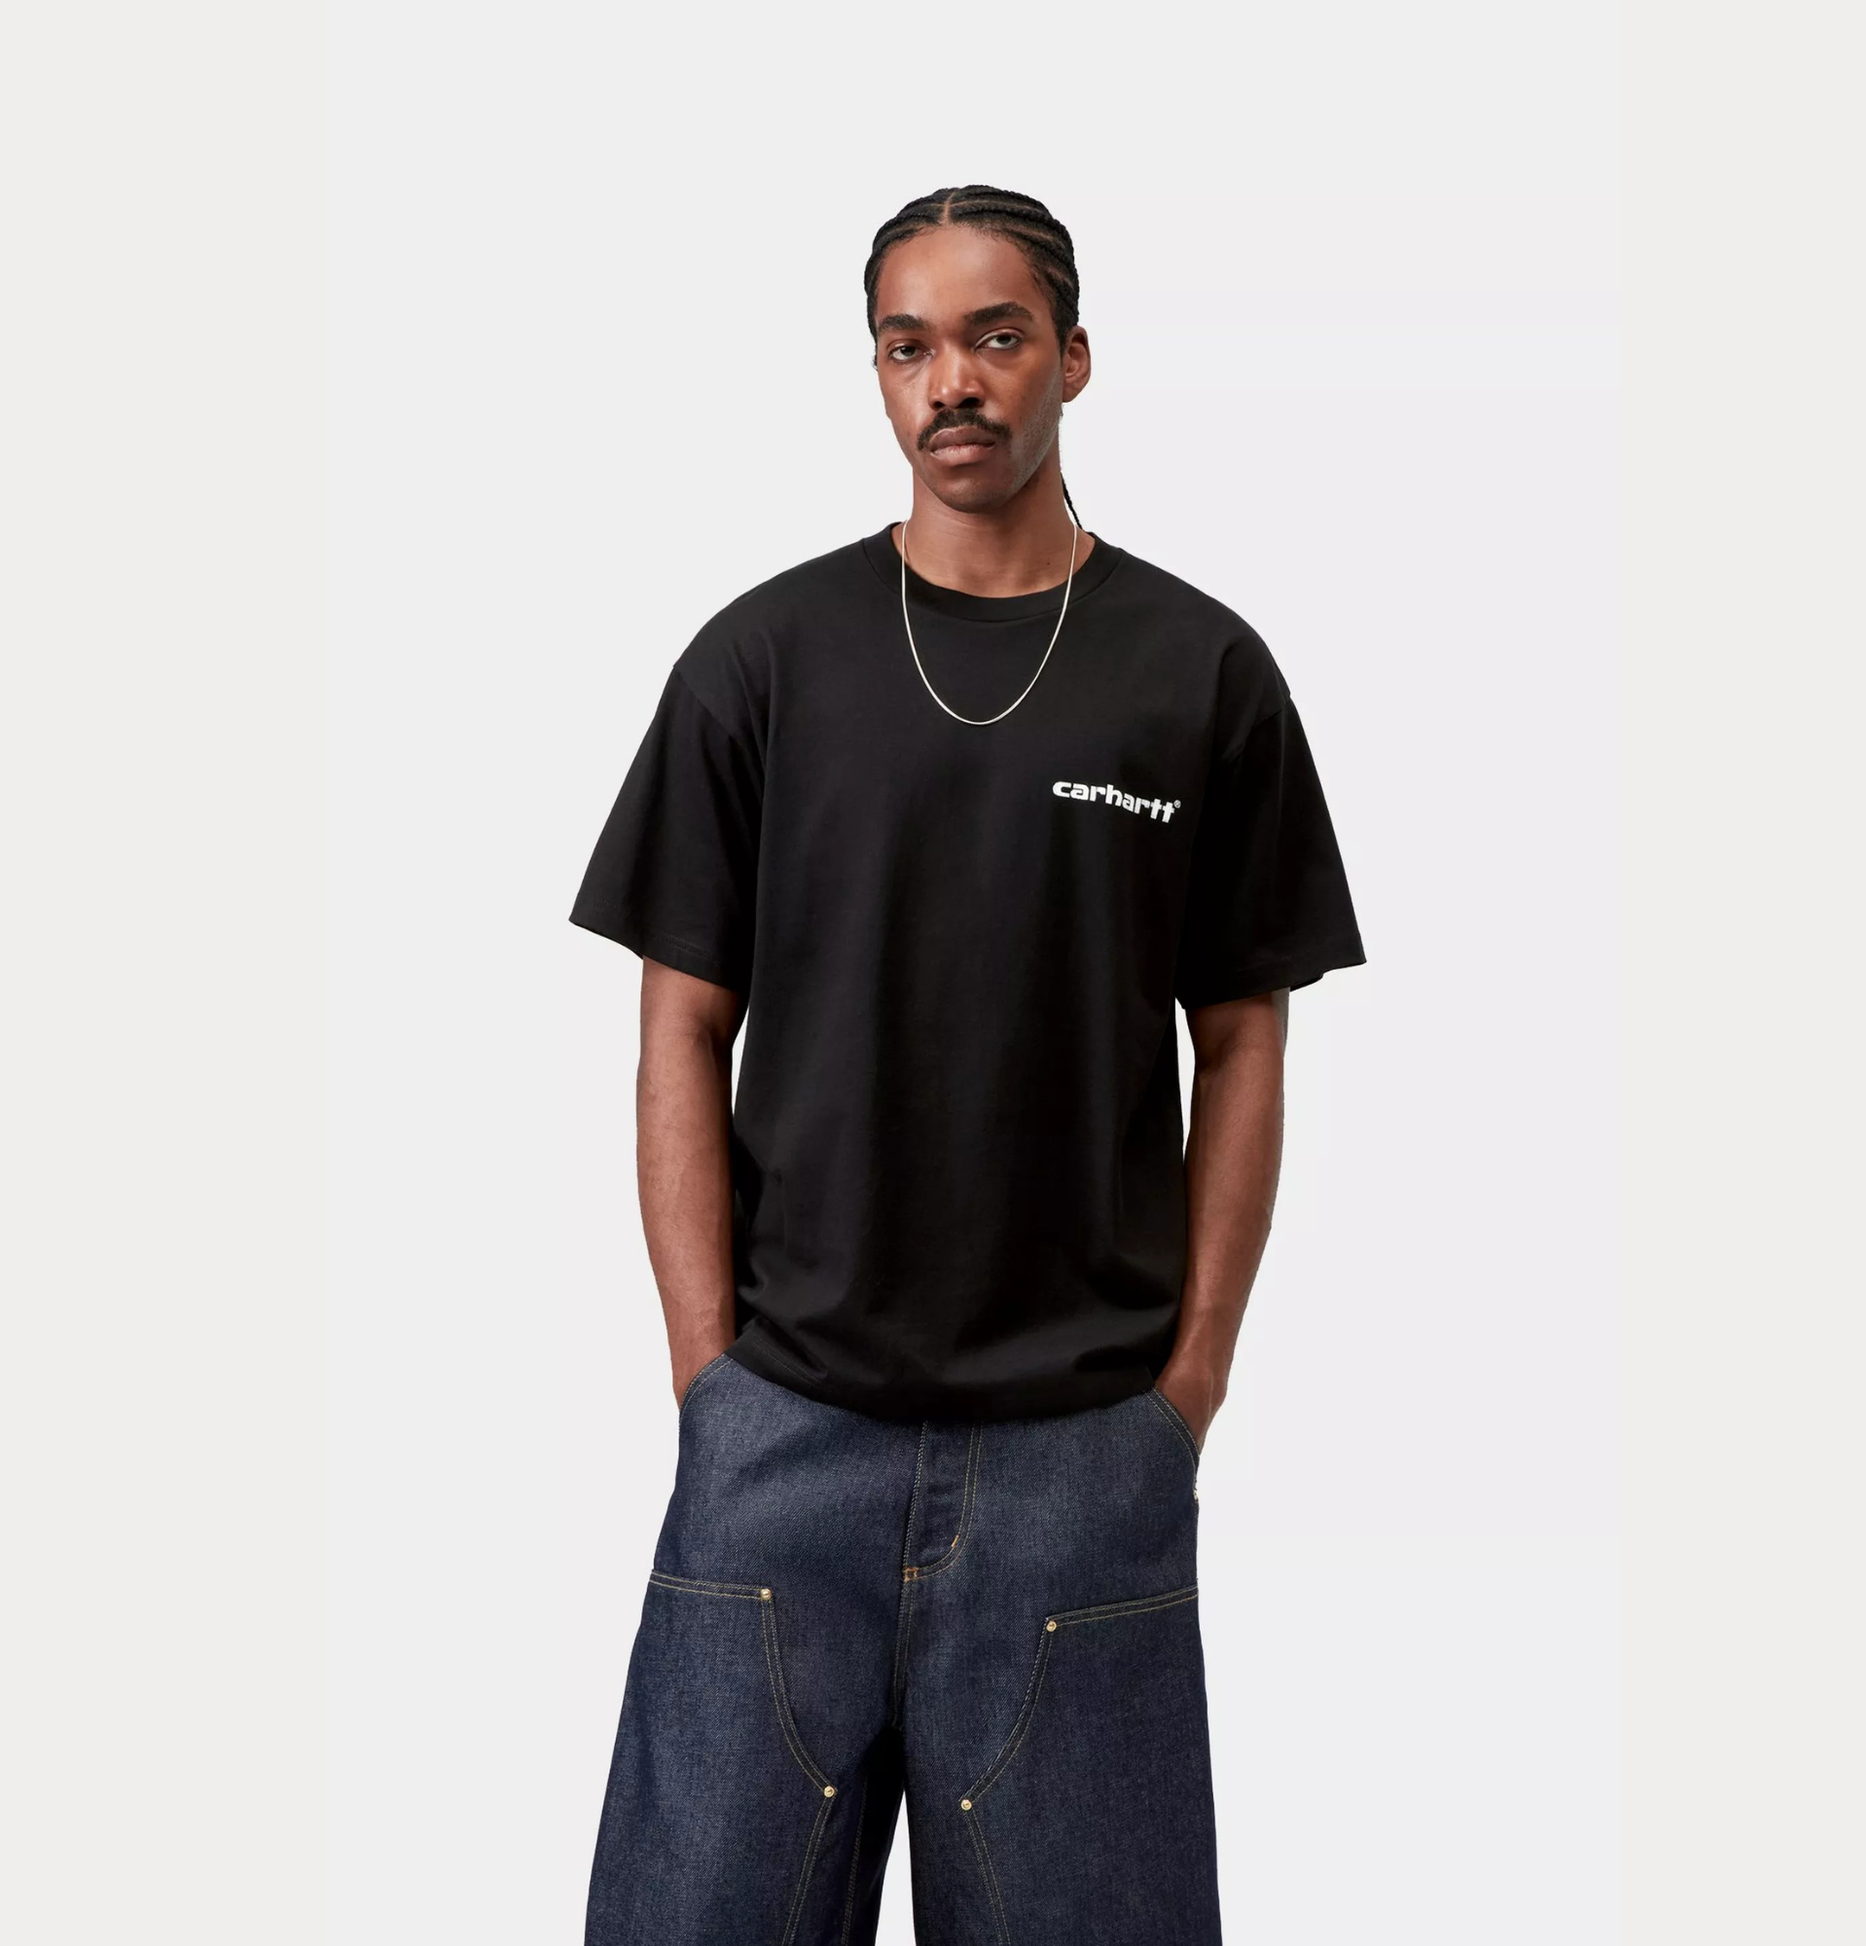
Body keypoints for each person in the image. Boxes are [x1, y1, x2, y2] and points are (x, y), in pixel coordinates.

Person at [568, 185, 1364, 1945]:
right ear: (876, 372)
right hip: (782, 1445)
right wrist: (710, 1382)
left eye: (995, 337)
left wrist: (1186, 1391)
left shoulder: (1198, 670)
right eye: (908, 345)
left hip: (1081, 1463)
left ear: (1069, 358)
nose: (953, 382)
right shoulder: (760, 661)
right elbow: (678, 1023)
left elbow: (1243, 1036)